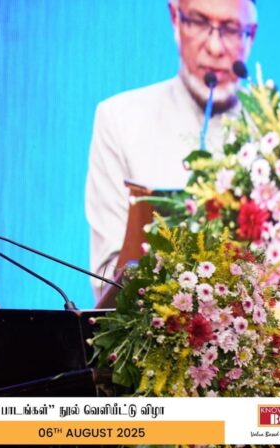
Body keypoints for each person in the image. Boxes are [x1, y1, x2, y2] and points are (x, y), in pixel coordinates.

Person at [85, 0, 258, 296]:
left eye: (230, 29)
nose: (215, 47)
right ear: (175, 18)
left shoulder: (277, 134)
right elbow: (105, 281)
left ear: (250, 35)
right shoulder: (120, 120)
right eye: (200, 23)